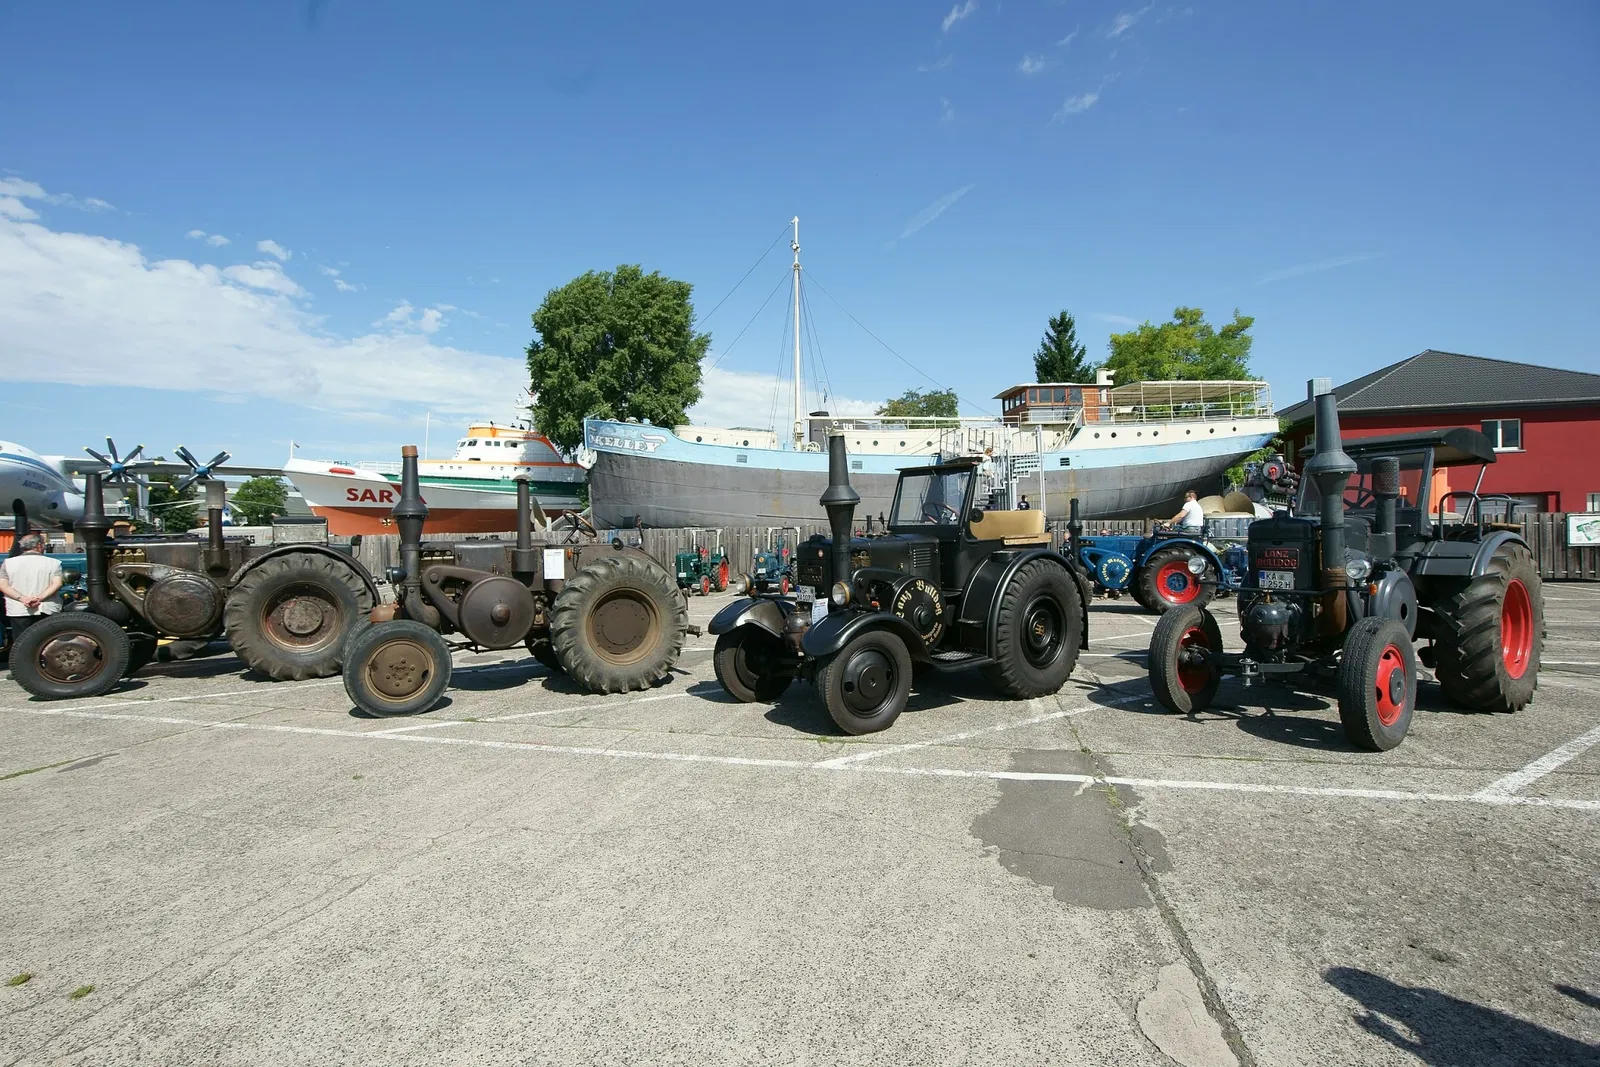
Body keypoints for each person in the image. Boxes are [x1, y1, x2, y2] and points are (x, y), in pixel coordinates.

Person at [0, 533, 64, 646]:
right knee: (46, 642)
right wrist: (39, 598)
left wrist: (22, 599)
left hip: (18, 609)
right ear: (39, 545)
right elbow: (57, 583)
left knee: (22, 643)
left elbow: (3, 585)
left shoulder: (8, 563)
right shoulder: (54, 563)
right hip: (46, 608)